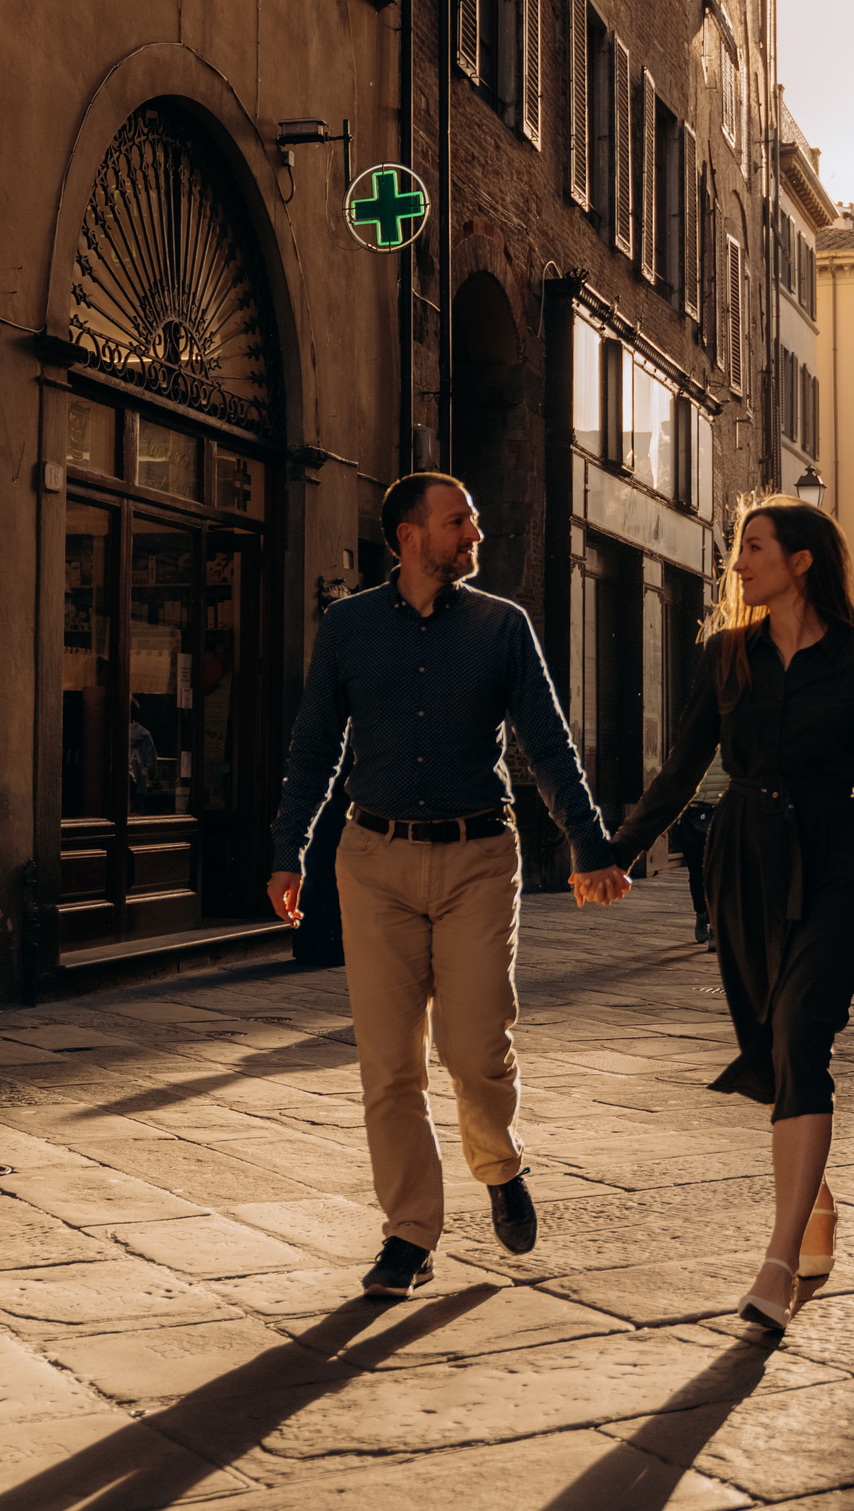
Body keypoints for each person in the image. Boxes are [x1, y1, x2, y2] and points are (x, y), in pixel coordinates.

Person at [267, 472, 631, 1301]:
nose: (474, 532)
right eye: (457, 520)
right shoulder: (349, 626)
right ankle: (409, 1233)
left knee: (474, 1047)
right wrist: (287, 848)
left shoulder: (503, 627)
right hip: (374, 858)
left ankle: (498, 1163)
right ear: (408, 535)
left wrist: (588, 841)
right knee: (389, 1065)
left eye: (473, 519)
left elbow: (547, 740)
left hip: (475, 857)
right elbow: (315, 742)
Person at [611, 495, 854, 1338]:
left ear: (801, 561)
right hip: (744, 862)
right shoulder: (726, 656)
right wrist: (617, 849)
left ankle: (778, 1260)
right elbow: (681, 769)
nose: (739, 562)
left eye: (755, 547)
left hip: (835, 859)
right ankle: (814, 1198)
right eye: (739, 549)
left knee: (800, 1035)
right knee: (770, 1042)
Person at [667, 797, 717, 947]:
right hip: (692, 817)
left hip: (720, 815)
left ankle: (715, 928)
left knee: (718, 876)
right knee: (696, 874)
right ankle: (701, 913)